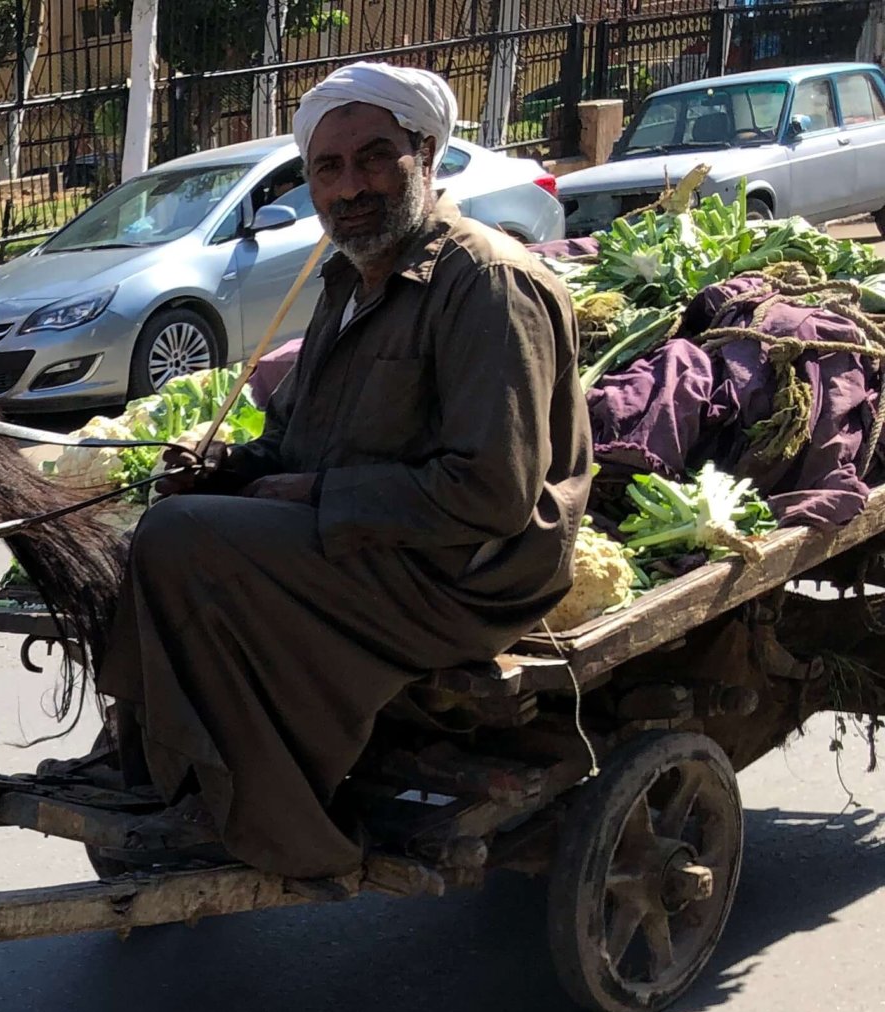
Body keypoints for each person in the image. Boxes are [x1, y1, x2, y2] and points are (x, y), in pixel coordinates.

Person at [97, 61, 591, 879]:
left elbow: (494, 492)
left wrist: (317, 495)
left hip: (469, 573)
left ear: (425, 155)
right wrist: (219, 469)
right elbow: (294, 443)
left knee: (182, 541)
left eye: (373, 158)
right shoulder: (348, 283)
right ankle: (177, 763)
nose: (349, 186)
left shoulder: (489, 284)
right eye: (329, 168)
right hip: (376, 546)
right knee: (158, 524)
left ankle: (282, 826)